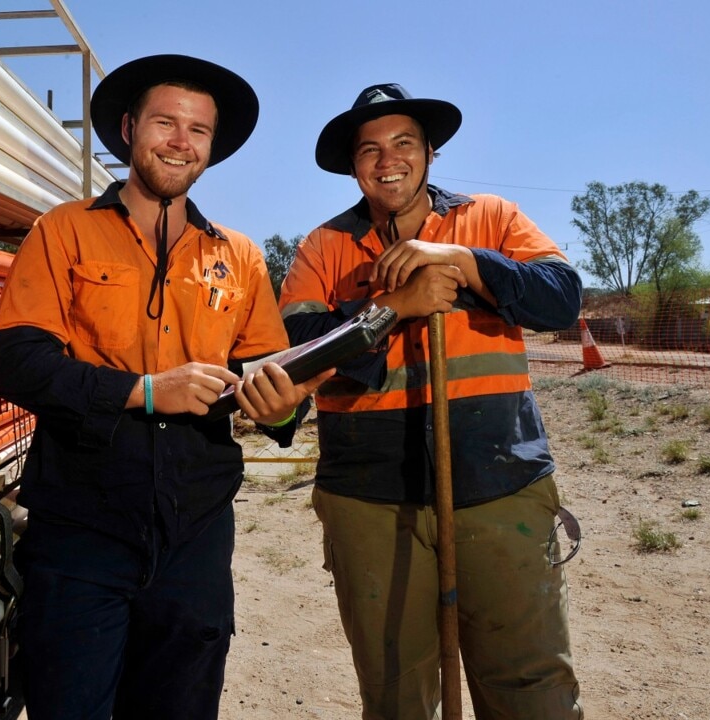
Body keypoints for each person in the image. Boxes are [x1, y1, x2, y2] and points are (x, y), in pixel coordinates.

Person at [0, 54, 330, 720]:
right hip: (81, 529)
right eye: (165, 122)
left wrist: (285, 403)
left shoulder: (239, 256)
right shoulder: (63, 232)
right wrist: (144, 392)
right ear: (128, 130)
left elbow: (270, 371)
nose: (180, 141)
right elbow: (16, 362)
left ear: (211, 147)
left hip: (196, 537)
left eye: (197, 130)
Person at [278, 83, 585, 719]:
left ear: (431, 153)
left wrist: (465, 263)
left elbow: (559, 298)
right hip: (368, 497)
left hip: (502, 483)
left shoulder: (492, 218)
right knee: (395, 694)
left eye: (403, 143)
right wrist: (390, 308)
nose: (387, 159)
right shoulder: (322, 248)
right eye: (369, 150)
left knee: (531, 687)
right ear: (353, 165)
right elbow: (299, 351)